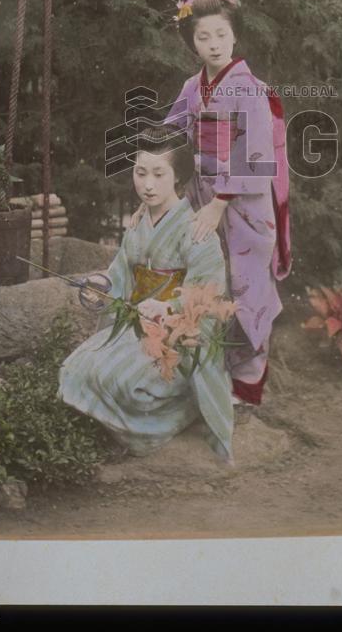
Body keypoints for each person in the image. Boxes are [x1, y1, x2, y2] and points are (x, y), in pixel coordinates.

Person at [132, 0, 292, 409]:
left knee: (246, 284)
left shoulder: (249, 89)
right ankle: (209, 374)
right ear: (192, 43)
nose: (214, 44)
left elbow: (256, 153)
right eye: (203, 37)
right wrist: (151, 188)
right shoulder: (192, 86)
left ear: (235, 34)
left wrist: (221, 203)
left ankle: (248, 384)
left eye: (221, 34)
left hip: (243, 203)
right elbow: (170, 138)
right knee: (207, 283)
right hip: (203, 196)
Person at [57, 125, 235, 462]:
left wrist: (168, 308)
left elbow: (207, 296)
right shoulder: (138, 224)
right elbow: (119, 275)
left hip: (175, 339)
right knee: (75, 367)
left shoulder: (197, 230)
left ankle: (182, 409)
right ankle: (123, 426)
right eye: (140, 173)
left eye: (158, 174)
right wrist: (101, 288)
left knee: (125, 382)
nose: (147, 184)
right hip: (137, 328)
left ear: (178, 176)